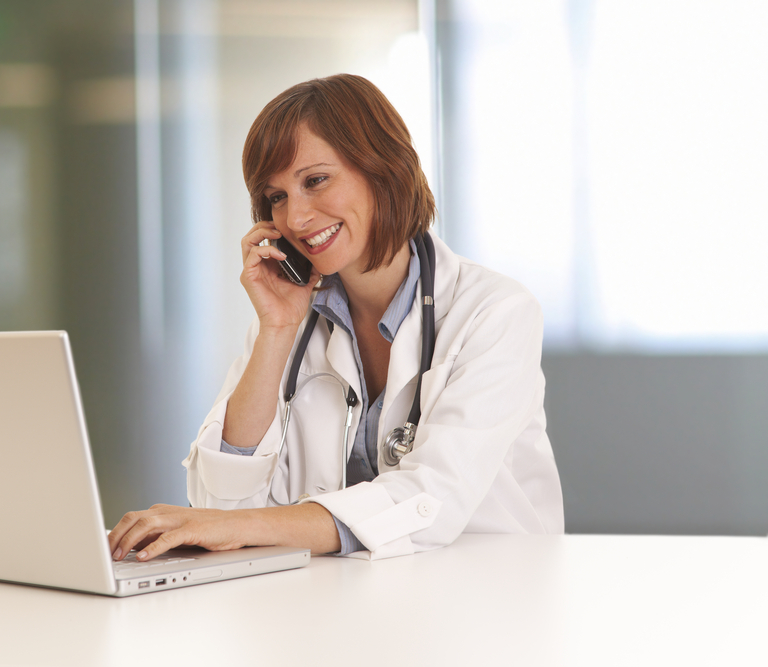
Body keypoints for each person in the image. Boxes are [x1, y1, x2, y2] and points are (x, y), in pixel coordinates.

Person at [108, 73, 563, 562]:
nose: (296, 219)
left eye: (315, 180)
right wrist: (277, 330)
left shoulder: (494, 312)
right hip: (339, 609)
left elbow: (431, 499)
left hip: (483, 603)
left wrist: (236, 525)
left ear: (383, 169)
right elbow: (221, 503)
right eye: (277, 197)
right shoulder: (289, 324)